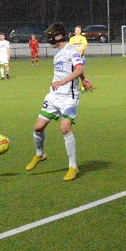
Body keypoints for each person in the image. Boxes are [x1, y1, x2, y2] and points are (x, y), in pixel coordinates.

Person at [25, 24, 89, 181]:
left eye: (51, 35)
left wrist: (64, 82)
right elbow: (78, 71)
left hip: (69, 97)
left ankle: (73, 166)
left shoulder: (71, 51)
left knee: (65, 128)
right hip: (53, 97)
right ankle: (40, 154)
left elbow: (79, 68)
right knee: (38, 128)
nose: (48, 39)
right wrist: (84, 80)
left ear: (59, 36)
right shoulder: (58, 54)